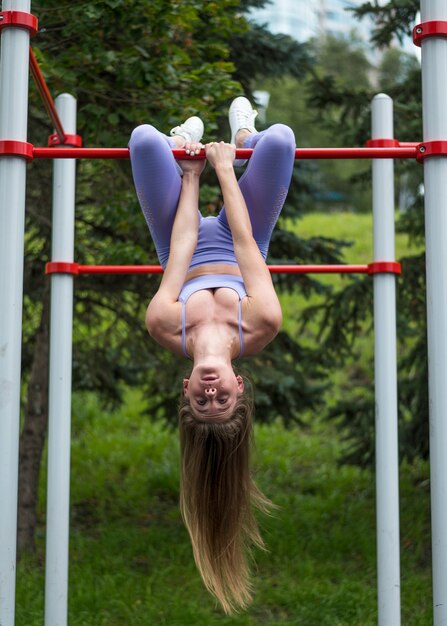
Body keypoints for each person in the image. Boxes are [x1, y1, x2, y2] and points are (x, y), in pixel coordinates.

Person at [129, 97, 296, 614]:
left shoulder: (164, 324)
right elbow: (245, 242)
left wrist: (191, 177)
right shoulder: (262, 322)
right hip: (241, 235)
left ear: (186, 391)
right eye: (220, 400)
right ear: (238, 387)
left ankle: (183, 137)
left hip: (179, 239)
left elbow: (179, 249)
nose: (210, 392)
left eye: (202, 403)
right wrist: (226, 167)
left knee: (143, 139)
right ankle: (244, 137)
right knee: (281, 139)